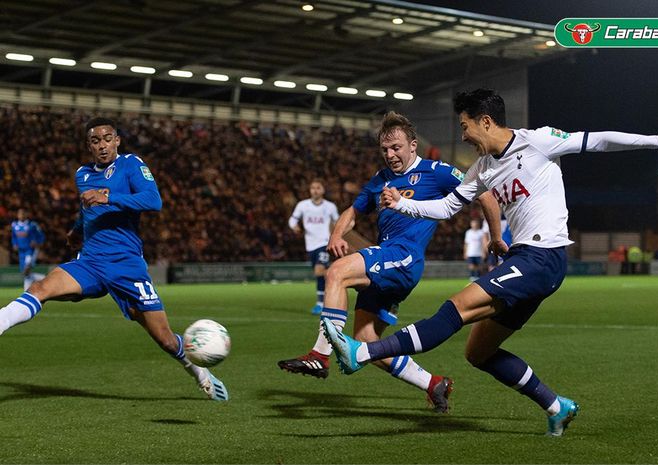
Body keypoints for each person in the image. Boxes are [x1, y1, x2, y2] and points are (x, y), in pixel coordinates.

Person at [322, 88, 658, 435]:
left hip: (543, 256)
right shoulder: (483, 168)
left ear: (485, 121)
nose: (463, 136)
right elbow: (448, 206)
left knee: (456, 308)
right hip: (524, 259)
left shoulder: (538, 140)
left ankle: (364, 351)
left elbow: (596, 140)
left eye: (465, 126)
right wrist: (403, 204)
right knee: (478, 352)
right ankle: (556, 407)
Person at [278, 111, 502, 413]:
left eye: (396, 147)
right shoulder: (379, 180)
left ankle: (320, 355)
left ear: (413, 145)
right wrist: (337, 234)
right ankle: (434, 384)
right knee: (365, 341)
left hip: (404, 256)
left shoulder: (436, 171)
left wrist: (497, 237)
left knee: (338, 272)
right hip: (389, 257)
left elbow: (484, 194)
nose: (390, 154)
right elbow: (353, 211)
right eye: (385, 149)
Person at [0, 117, 228, 401]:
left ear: (117, 140)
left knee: (165, 339)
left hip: (127, 266)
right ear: (89, 146)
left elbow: (153, 200)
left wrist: (110, 197)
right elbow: (87, 208)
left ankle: (200, 373)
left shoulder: (131, 164)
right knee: (39, 289)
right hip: (91, 262)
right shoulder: (82, 174)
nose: (102, 145)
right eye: (95, 141)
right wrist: (77, 230)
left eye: (107, 138)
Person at [288, 179, 339, 314]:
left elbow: (338, 222)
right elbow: (292, 219)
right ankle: (332, 279)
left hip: (324, 243)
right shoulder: (303, 205)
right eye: (313, 188)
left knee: (318, 271)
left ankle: (321, 303)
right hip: (310, 244)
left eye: (318, 187)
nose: (315, 190)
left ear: (323, 190)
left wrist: (336, 235)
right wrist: (294, 226)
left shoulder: (330, 207)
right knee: (320, 275)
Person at [11, 208, 46, 290]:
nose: (21, 215)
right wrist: (14, 244)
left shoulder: (32, 225)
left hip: (30, 251)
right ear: (17, 215)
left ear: (26, 215)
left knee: (27, 269)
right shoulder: (14, 225)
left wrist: (38, 243)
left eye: (23, 214)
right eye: (20, 214)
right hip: (21, 252)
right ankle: (44, 278)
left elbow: (41, 235)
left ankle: (26, 291)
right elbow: (13, 237)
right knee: (26, 273)